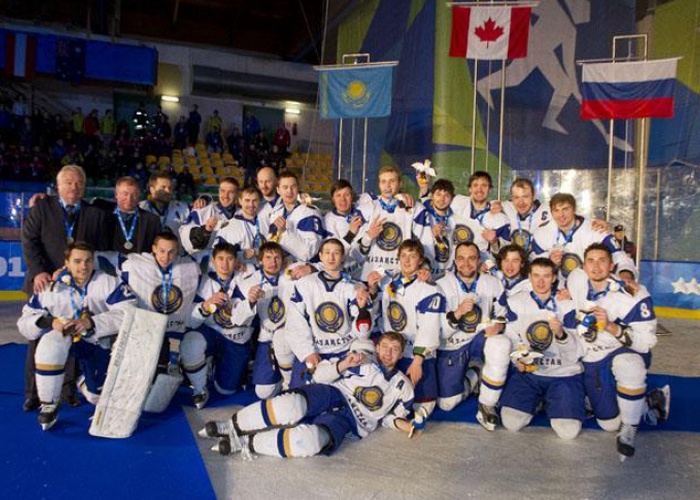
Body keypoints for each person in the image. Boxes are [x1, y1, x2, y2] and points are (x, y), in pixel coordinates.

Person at [198, 332, 416, 459]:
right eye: (384, 346)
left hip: (349, 420)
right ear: (377, 347)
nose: (388, 353)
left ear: (401, 353)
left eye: (395, 349)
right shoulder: (362, 360)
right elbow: (320, 375)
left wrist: (402, 424)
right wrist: (343, 365)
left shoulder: (403, 387)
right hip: (331, 393)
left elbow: (387, 416)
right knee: (289, 406)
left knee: (308, 442)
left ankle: (248, 442)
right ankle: (231, 426)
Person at [17, 242, 136, 430]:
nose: (84, 266)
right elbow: (24, 322)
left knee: (96, 396)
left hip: (96, 341)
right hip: (64, 338)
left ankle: (83, 381)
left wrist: (91, 322)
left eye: (88, 261)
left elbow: (129, 312)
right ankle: (49, 404)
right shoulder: (51, 288)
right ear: (67, 263)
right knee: (49, 344)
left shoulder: (107, 282)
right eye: (77, 261)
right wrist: (50, 322)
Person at [21, 165, 108, 411]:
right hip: (45, 284)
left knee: (74, 336)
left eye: (79, 182)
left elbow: (100, 247)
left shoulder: (95, 213)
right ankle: (34, 394)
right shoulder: (42, 207)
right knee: (39, 338)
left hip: (79, 287)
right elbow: (29, 241)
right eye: (68, 182)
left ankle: (68, 390)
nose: (74, 187)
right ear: (57, 186)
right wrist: (39, 272)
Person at [566, 243, 666, 460]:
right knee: (608, 423)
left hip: (622, 349)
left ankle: (630, 426)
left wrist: (612, 327)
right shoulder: (576, 279)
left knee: (628, 364)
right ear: (583, 266)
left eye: (602, 261)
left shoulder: (634, 294)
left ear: (612, 265)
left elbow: (646, 342)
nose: (596, 266)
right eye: (591, 261)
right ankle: (651, 401)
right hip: (593, 356)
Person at [500, 257, 585, 440]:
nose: (540, 282)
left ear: (554, 278)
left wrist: (561, 334)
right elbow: (512, 338)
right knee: (511, 422)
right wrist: (518, 359)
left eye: (546, 276)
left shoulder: (567, 305)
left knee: (568, 432)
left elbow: (576, 352)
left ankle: (558, 400)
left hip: (563, 374)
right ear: (529, 277)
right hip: (531, 374)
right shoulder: (516, 302)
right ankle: (540, 401)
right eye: (536, 276)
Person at [435, 242, 510, 430]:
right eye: (461, 258)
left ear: (479, 260)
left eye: (471, 258)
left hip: (480, 340)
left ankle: (487, 404)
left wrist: (499, 324)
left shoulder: (492, 282)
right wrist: (457, 313)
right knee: (446, 403)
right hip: (452, 346)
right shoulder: (441, 286)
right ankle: (476, 374)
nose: (466, 263)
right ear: (454, 261)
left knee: (501, 343)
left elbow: (503, 313)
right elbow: (439, 331)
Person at [368, 239, 445, 418]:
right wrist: (371, 288)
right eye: (403, 256)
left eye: (412, 256)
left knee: (421, 407)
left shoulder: (429, 289)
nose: (407, 260)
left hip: (416, 354)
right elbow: (374, 307)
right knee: (380, 401)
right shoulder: (388, 280)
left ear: (421, 260)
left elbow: (429, 327)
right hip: (391, 352)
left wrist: (417, 362)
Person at [285, 238, 373, 387]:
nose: (331, 257)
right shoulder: (305, 284)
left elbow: (363, 333)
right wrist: (307, 352)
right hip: (315, 351)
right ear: (320, 256)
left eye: (336, 253)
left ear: (342, 257)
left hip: (345, 352)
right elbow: (295, 320)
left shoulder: (354, 288)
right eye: (327, 253)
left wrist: (363, 308)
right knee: (298, 395)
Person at [119, 232, 200, 378]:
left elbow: (211, 258)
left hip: (172, 328)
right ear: (154, 248)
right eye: (162, 251)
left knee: (161, 369)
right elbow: (103, 259)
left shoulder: (188, 267)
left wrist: (238, 263)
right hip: (145, 330)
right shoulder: (135, 264)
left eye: (171, 252)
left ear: (177, 251)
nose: (166, 257)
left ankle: (172, 363)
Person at [180, 243, 251, 409]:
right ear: (213, 260)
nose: (224, 264)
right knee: (191, 342)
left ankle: (215, 365)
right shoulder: (203, 282)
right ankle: (199, 388)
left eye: (229, 259)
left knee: (226, 389)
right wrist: (205, 306)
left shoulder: (247, 278)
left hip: (235, 336)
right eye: (220, 259)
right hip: (210, 331)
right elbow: (190, 321)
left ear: (236, 261)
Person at [230, 241, 295, 398]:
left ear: (283, 260)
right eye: (268, 257)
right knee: (264, 392)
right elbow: (236, 319)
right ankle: (280, 377)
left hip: (292, 336)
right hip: (267, 337)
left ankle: (290, 381)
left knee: (300, 384)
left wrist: (310, 269)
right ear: (260, 261)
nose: (273, 262)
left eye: (277, 257)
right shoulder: (248, 283)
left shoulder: (292, 276)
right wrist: (250, 301)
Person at [532, 193, 636, 283]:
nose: (561, 215)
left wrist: (626, 277)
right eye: (556, 210)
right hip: (559, 290)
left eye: (565, 209)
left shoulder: (596, 230)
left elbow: (620, 258)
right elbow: (534, 264)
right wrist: (550, 262)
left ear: (574, 209)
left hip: (593, 287)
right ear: (551, 212)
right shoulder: (542, 233)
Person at [358, 165, 430, 280]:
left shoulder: (415, 209)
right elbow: (355, 252)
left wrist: (425, 267)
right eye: (383, 181)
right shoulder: (366, 209)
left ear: (400, 183)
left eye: (392, 181)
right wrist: (368, 236)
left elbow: (426, 244)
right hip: (371, 278)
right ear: (379, 184)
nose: (387, 186)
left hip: (402, 278)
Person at [267, 171, 325, 263]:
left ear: (298, 188)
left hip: (303, 267)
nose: (289, 191)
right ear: (278, 190)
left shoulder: (309, 213)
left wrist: (284, 233)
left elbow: (308, 252)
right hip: (279, 265)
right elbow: (271, 242)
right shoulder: (276, 212)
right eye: (285, 187)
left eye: (293, 187)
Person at [98, 176, 162, 254]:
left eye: (134, 194)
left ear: (139, 195)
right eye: (125, 194)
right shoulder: (102, 217)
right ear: (116, 194)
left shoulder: (152, 221)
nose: (129, 199)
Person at [179, 177, 239, 257]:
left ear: (237, 194)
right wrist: (204, 232)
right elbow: (186, 238)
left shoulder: (242, 215)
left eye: (230, 192)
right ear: (218, 191)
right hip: (204, 262)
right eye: (222, 191)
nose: (225, 195)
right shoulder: (202, 210)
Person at [323, 179, 371, 279]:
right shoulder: (328, 221)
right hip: (345, 275)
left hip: (367, 271)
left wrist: (399, 196)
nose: (343, 199)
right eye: (338, 195)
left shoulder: (363, 207)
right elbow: (332, 253)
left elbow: (383, 199)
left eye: (346, 195)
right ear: (333, 199)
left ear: (352, 196)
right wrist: (351, 233)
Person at [213, 186, 265, 265]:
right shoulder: (230, 227)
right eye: (247, 200)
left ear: (260, 201)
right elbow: (218, 254)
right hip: (243, 270)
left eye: (255, 200)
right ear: (240, 201)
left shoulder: (266, 219)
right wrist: (241, 255)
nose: (251, 204)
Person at [139, 172, 191, 239]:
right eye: (163, 187)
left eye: (170, 188)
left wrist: (202, 200)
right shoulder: (140, 208)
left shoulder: (183, 208)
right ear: (152, 190)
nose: (168, 191)